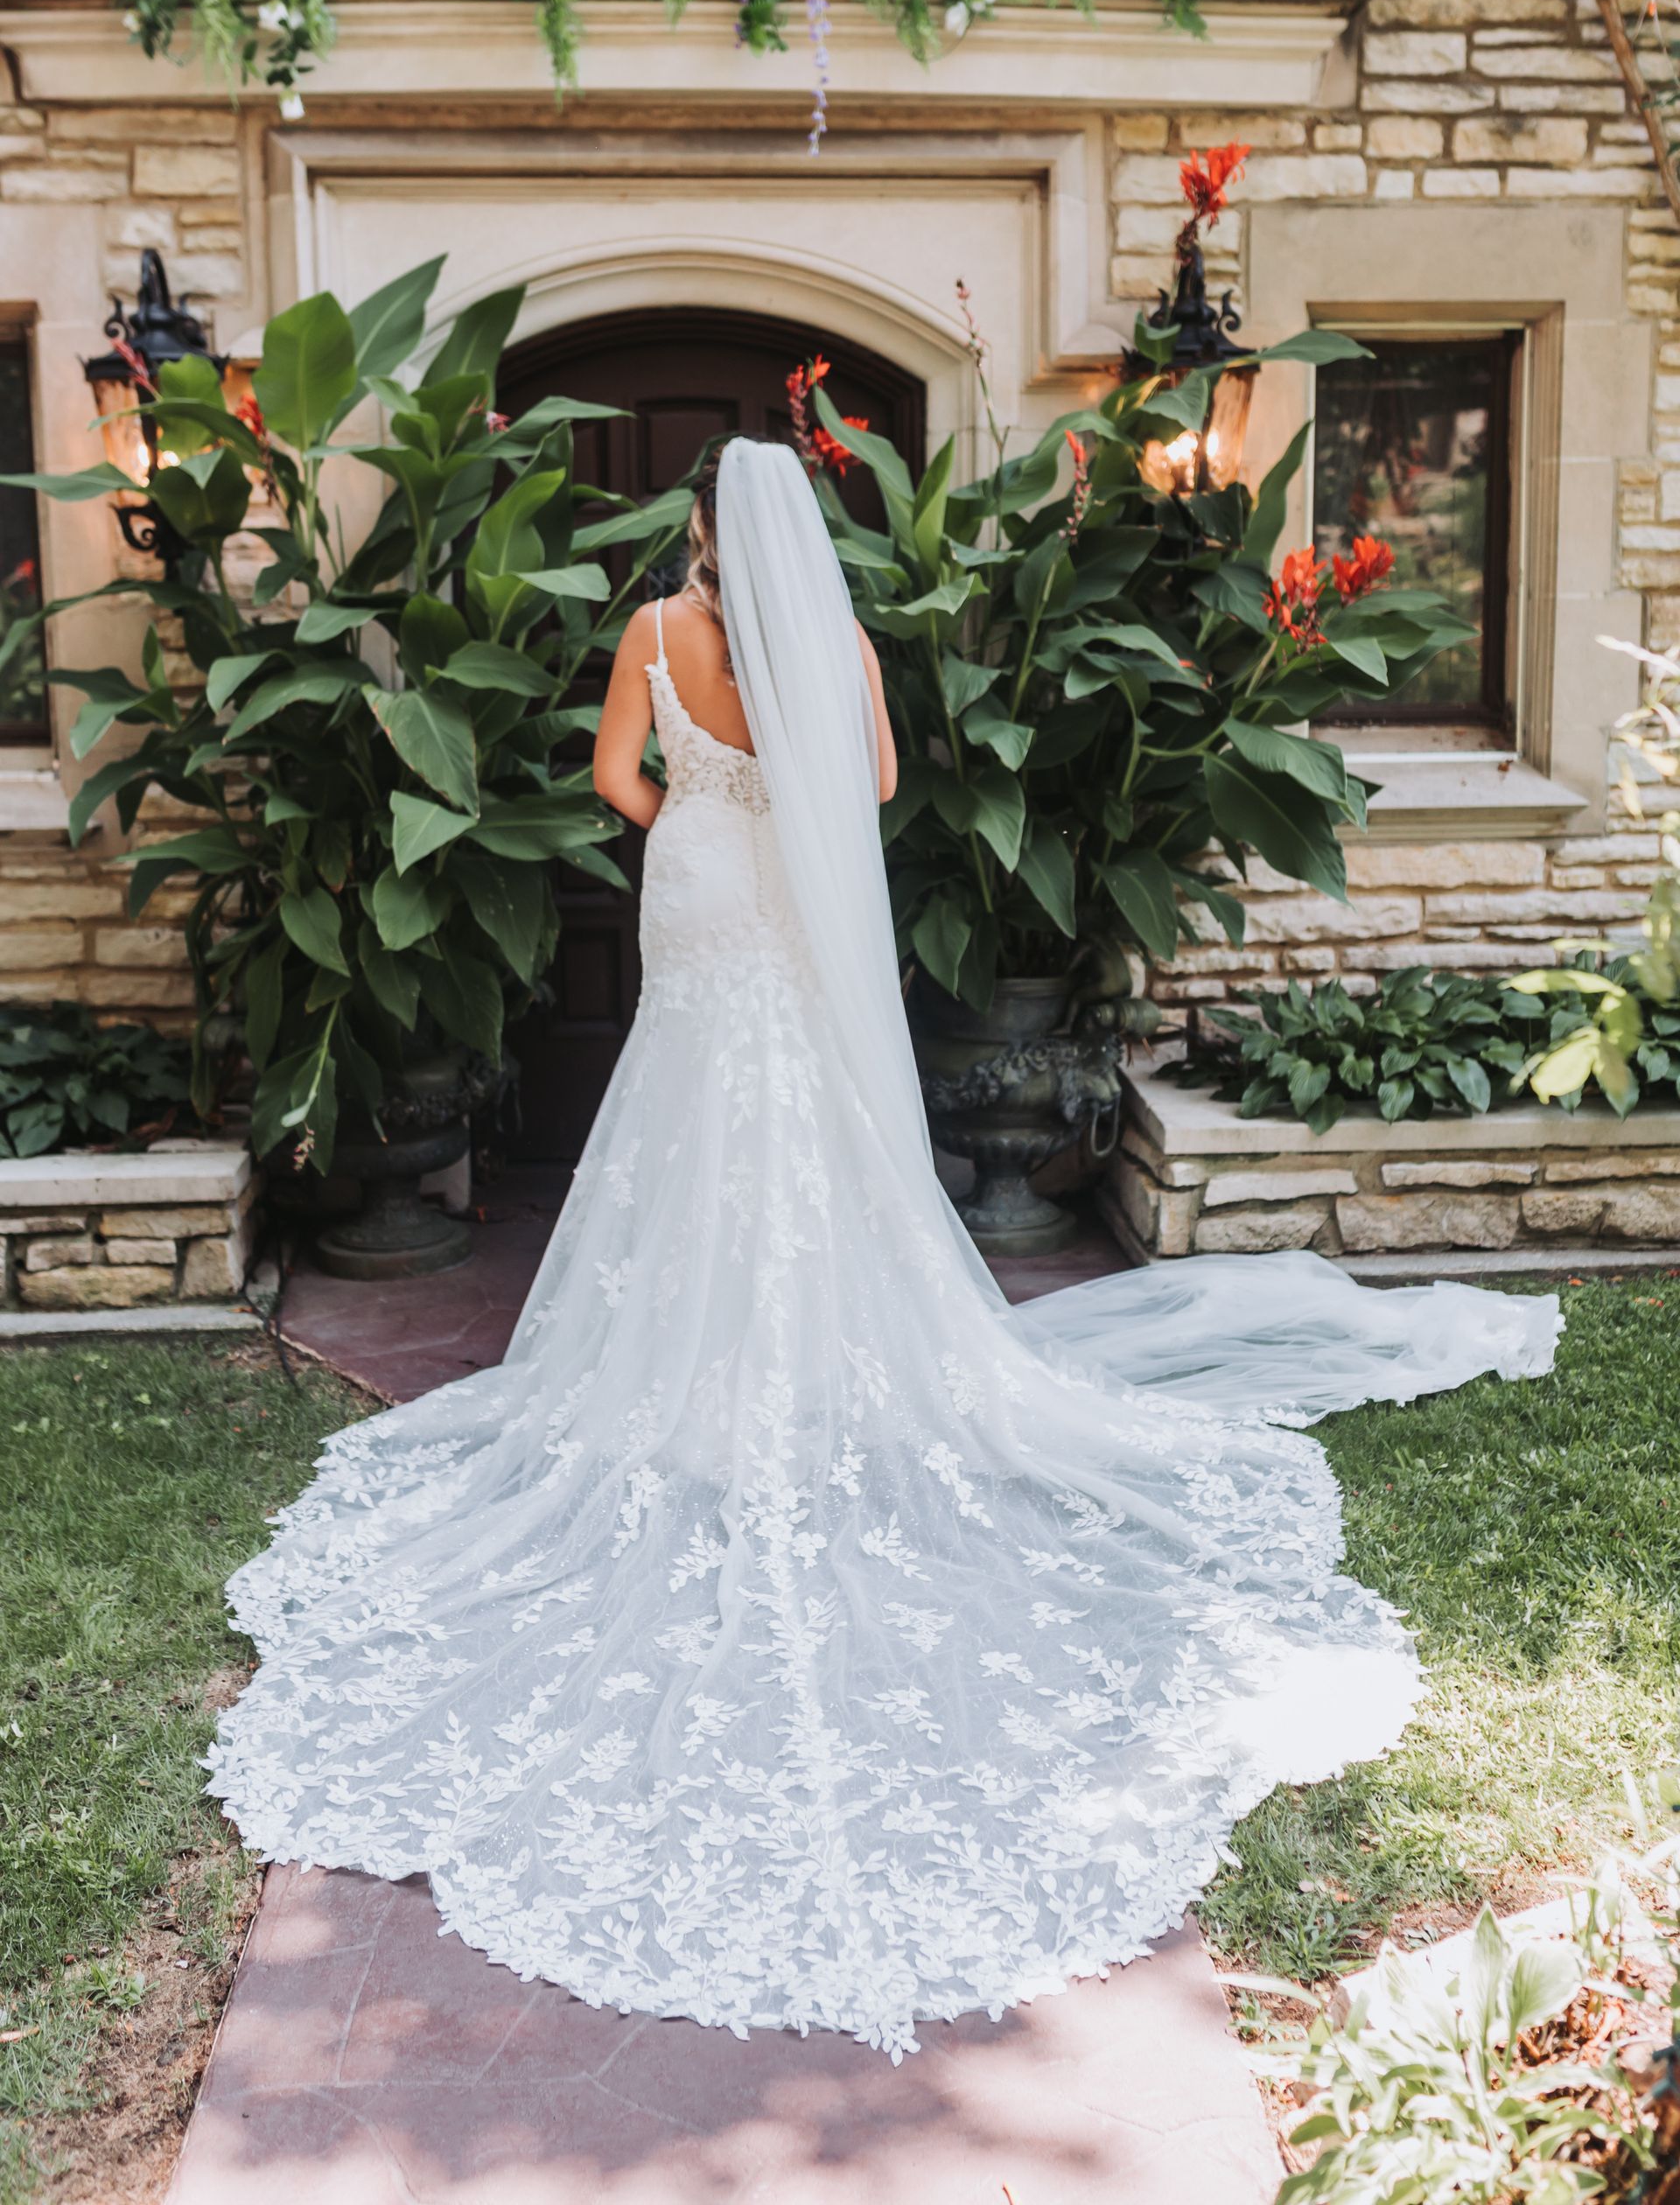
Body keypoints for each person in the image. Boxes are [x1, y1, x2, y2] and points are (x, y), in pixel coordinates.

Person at [207, 438, 1558, 2061]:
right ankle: (816, 1362)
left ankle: (680, 1377)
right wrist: (779, 792)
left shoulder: (650, 635)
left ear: (704, 536)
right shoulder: (838, 645)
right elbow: (877, 793)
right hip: (785, 898)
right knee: (803, 1126)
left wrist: (703, 797)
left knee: (689, 1119)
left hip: (700, 893)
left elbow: (614, 785)